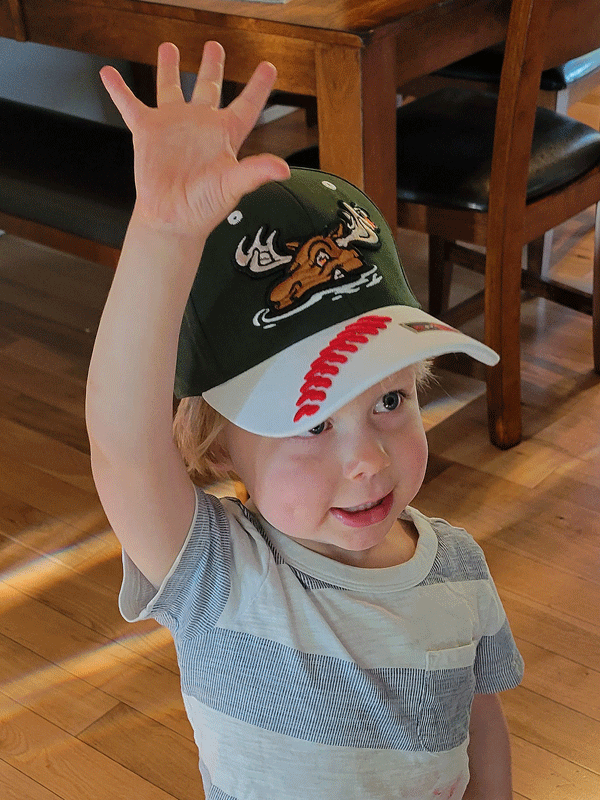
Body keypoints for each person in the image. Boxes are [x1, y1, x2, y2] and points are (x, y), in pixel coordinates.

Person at [86, 40, 524, 800]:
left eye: (390, 401)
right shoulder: (218, 575)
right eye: (313, 423)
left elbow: (479, 723)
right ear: (217, 445)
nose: (367, 460)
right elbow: (122, 447)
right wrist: (162, 233)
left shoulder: (459, 568)